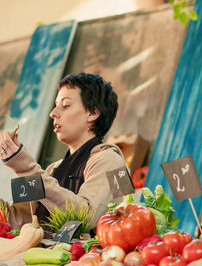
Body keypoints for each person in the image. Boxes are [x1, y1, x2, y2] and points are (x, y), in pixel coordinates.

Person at [0, 73, 126, 230]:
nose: (53, 113)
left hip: (84, 254)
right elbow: (18, 219)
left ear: (93, 113)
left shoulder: (112, 161)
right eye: (56, 105)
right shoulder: (52, 170)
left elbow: (86, 219)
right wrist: (24, 168)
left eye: (65, 105)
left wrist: (25, 166)